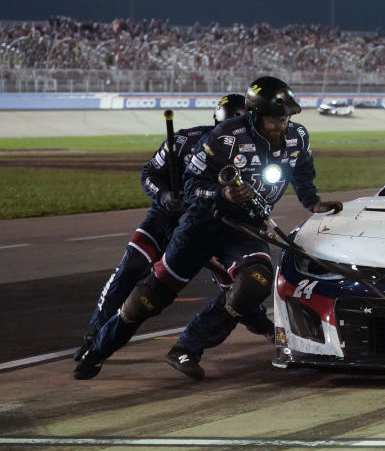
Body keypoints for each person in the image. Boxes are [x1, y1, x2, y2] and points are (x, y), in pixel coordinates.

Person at [75, 76, 343, 380]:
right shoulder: (223, 138)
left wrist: (312, 201)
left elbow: (303, 169)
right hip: (201, 224)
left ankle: (189, 346)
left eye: (286, 117)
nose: (282, 125)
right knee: (150, 298)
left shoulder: (298, 137)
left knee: (255, 282)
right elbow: (191, 185)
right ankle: (97, 349)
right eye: (274, 119)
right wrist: (223, 194)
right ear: (256, 115)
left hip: (245, 227)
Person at [73, 94, 252, 360]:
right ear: (219, 120)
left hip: (203, 227)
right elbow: (149, 174)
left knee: (235, 279)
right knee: (131, 267)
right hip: (163, 220)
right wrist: (165, 196)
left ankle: (263, 326)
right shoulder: (183, 140)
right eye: (234, 121)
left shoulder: (253, 156)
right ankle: (95, 336)